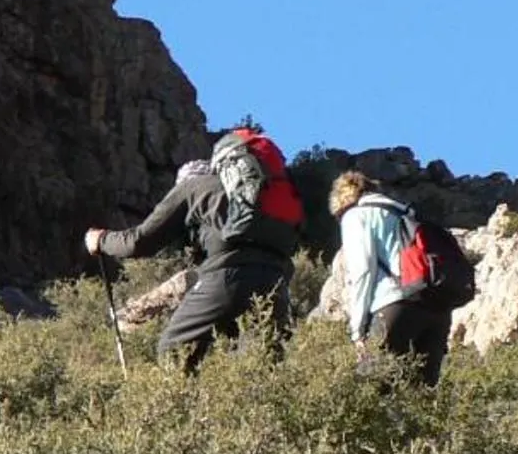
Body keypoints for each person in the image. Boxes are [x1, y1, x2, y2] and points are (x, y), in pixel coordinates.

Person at [84, 136, 300, 373]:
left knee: (173, 349)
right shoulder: (253, 198)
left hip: (227, 280)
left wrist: (101, 239)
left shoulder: (192, 187)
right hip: (277, 286)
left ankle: (181, 407)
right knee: (260, 369)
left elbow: (138, 243)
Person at [330, 171, 450, 386]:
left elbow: (363, 271)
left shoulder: (356, 215)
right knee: (423, 403)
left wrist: (357, 332)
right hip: (437, 311)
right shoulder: (408, 213)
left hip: (395, 306)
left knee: (371, 395)